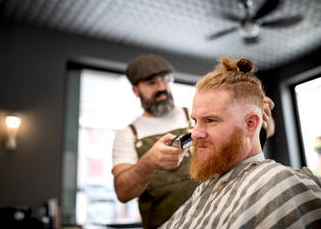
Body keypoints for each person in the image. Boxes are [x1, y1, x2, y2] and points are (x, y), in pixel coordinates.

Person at [112, 54, 274, 229]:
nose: (162, 88)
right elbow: (123, 192)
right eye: (152, 83)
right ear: (136, 90)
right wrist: (148, 163)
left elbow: (263, 130)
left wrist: (258, 111)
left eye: (165, 80)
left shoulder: (198, 113)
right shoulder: (127, 135)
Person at [160, 57, 321, 228]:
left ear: (250, 124)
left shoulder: (275, 182)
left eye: (210, 120)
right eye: (195, 121)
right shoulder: (204, 189)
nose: (195, 134)